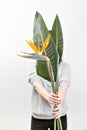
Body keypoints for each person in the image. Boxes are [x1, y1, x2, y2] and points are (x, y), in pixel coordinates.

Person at [28, 60, 71, 130]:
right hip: (39, 117)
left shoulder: (64, 65)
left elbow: (64, 84)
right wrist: (47, 96)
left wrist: (58, 104)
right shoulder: (34, 64)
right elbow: (35, 82)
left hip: (59, 115)